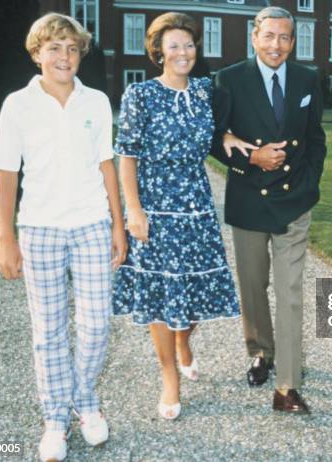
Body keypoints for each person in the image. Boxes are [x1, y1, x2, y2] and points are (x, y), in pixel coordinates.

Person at [0, 13, 126, 462]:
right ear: (37, 53)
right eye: (54, 48)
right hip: (39, 229)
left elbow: (108, 167)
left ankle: (84, 401)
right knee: (48, 332)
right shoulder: (17, 105)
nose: (63, 57)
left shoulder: (98, 102)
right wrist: (6, 238)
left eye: (71, 48)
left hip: (91, 225)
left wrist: (118, 226)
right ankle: (54, 420)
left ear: (80, 55)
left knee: (97, 324)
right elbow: (7, 174)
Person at [112, 12, 240, 420]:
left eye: (188, 45)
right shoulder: (141, 95)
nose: (183, 52)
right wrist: (133, 210)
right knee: (162, 298)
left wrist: (226, 134)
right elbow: (126, 156)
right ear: (158, 52)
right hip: (155, 210)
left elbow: (221, 121)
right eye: (174, 46)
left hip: (197, 209)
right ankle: (170, 376)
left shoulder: (206, 90)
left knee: (196, 293)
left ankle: (185, 341)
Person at [212, 6, 326, 414]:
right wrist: (251, 160)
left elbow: (316, 139)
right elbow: (214, 139)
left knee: (290, 292)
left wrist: (309, 185)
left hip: (294, 202)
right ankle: (261, 351)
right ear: (254, 37)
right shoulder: (227, 80)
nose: (276, 45)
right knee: (253, 287)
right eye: (269, 36)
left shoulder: (308, 79)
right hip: (248, 199)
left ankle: (288, 386)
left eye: (284, 38)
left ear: (292, 42)